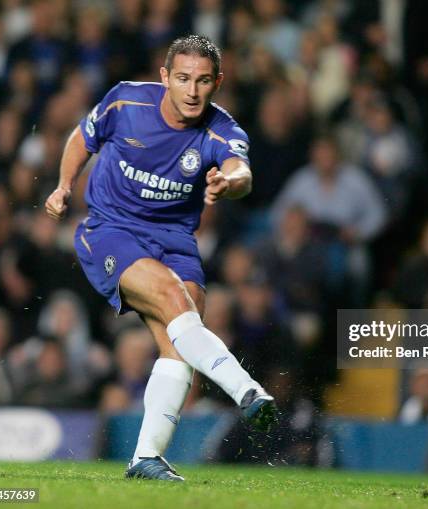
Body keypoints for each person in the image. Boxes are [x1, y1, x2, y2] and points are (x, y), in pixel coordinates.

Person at [44, 35, 277, 481]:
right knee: (174, 299)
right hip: (110, 229)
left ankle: (146, 458)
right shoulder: (125, 103)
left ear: (218, 82)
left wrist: (229, 184)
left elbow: (241, 171)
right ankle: (246, 391)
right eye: (184, 79)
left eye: (203, 81)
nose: (192, 91)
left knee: (180, 341)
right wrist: (64, 184)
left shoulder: (222, 131)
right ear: (165, 77)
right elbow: (82, 137)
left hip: (174, 239)